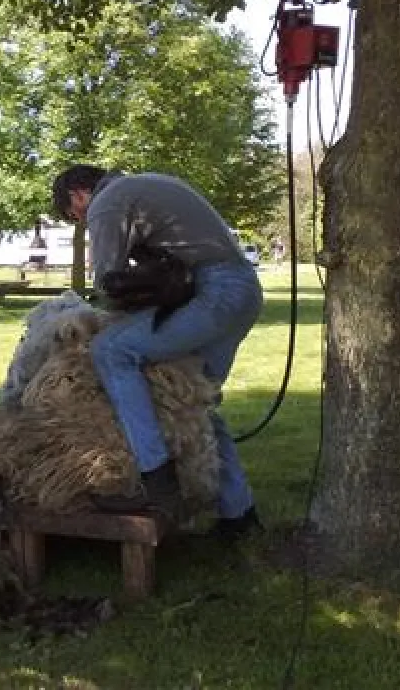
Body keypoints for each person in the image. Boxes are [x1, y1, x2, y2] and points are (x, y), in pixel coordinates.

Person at [51, 164, 264, 540]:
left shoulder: (106, 204)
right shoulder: (144, 185)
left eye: (74, 214)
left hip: (214, 292)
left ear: (78, 194)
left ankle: (157, 483)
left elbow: (109, 285)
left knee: (110, 351)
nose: (80, 220)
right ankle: (239, 513)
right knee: (196, 402)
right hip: (240, 289)